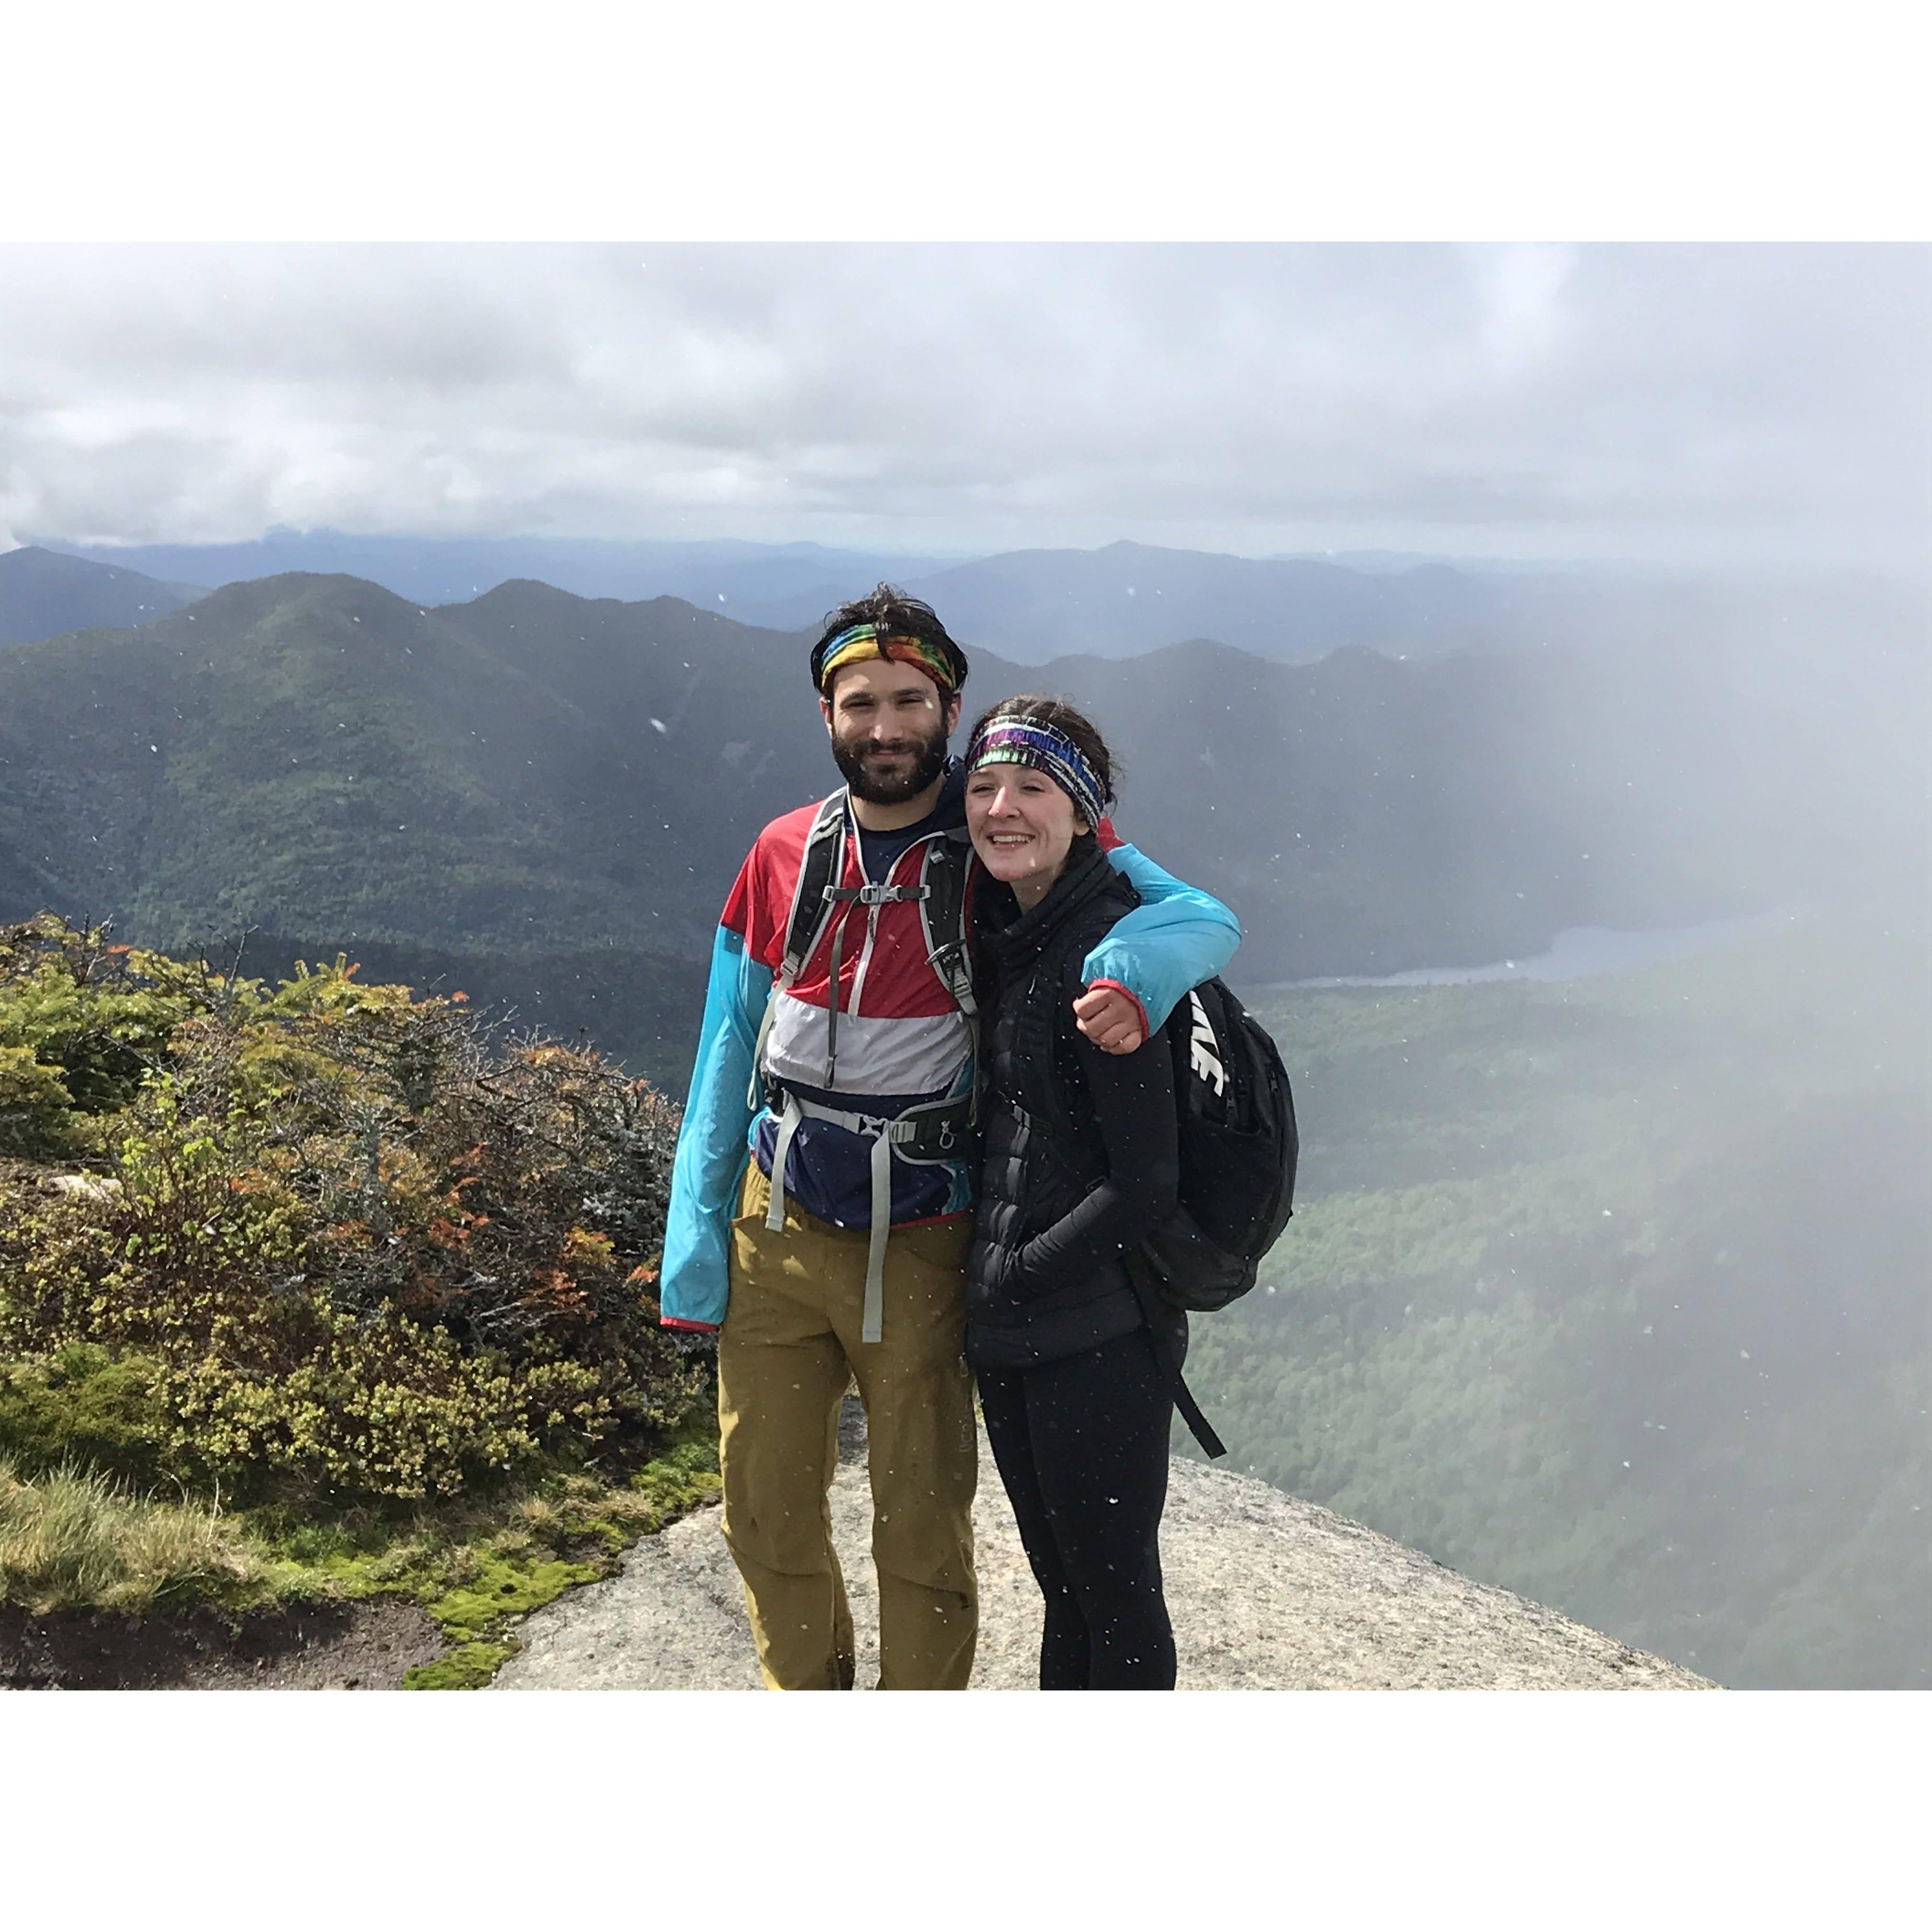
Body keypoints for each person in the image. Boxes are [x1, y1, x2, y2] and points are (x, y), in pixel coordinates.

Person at [659, 585, 1238, 1690]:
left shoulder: (997, 834)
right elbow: (725, 1046)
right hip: (774, 1224)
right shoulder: (783, 851)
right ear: (826, 715)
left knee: (920, 1529)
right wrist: (694, 1230)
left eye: (909, 701)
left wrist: (1134, 972)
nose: (885, 727)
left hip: (924, 1231)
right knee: (763, 1508)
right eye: (859, 702)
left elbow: (1193, 914)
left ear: (948, 705)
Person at [962, 695, 1192, 1690]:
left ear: (1084, 810)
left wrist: (1016, 1276)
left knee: (1117, 1601)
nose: (1002, 808)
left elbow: (1146, 1184)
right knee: (1067, 1591)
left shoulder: (1110, 959)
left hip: (1098, 1339)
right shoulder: (1014, 927)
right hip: (1022, 1334)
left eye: (1032, 787)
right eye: (983, 787)